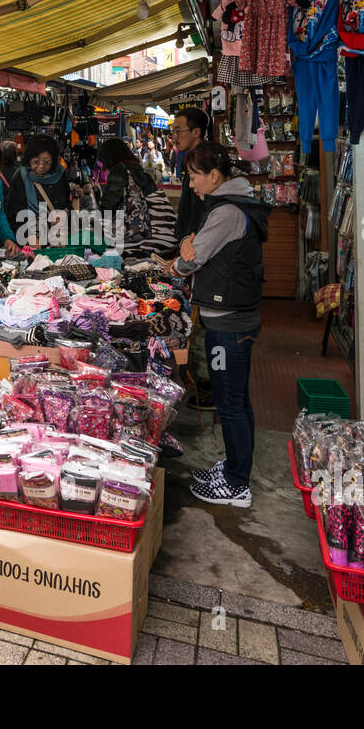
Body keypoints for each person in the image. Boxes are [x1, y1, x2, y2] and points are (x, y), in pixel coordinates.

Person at [169, 142, 269, 507]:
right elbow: (193, 246)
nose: (192, 184)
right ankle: (234, 466)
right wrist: (187, 245)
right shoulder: (229, 205)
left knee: (230, 402)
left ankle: (237, 483)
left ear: (214, 175)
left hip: (229, 324)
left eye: (194, 177)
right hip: (230, 319)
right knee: (236, 400)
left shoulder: (226, 212)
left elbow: (192, 259)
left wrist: (183, 256)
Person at [172, 107, 214, 410]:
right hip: (192, 248)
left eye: (179, 130)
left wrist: (190, 246)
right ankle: (202, 384)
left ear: (196, 132)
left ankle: (207, 388)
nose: (174, 136)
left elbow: (202, 216)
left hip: (201, 255)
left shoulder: (206, 163)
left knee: (202, 323)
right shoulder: (190, 162)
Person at [98, 137, 170, 258]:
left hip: (127, 241)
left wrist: (90, 221)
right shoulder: (141, 171)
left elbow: (109, 205)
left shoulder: (119, 171)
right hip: (150, 240)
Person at [5, 133, 72, 247]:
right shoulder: (21, 177)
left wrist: (65, 212)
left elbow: (68, 203)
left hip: (58, 240)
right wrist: (28, 237)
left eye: (46, 162)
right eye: (36, 162)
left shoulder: (60, 175)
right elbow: (14, 214)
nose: (41, 166)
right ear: (28, 159)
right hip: (31, 241)